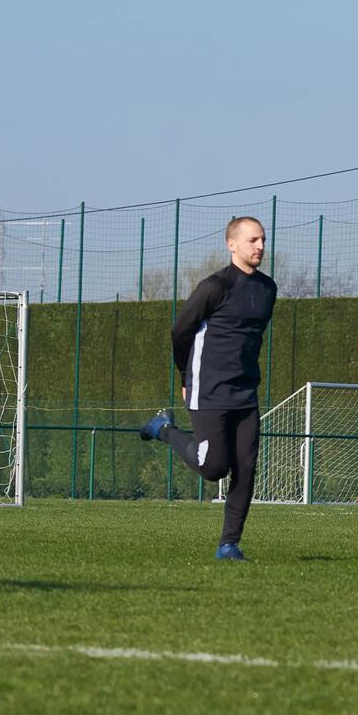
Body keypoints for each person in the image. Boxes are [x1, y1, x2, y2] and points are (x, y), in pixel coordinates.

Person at [138, 216, 278, 561]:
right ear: (232, 245)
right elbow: (180, 332)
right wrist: (186, 376)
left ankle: (228, 544)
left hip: (245, 392)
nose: (260, 246)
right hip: (208, 389)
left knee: (246, 466)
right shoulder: (214, 287)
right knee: (214, 467)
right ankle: (165, 430)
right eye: (252, 241)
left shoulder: (267, 289)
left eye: (262, 239)